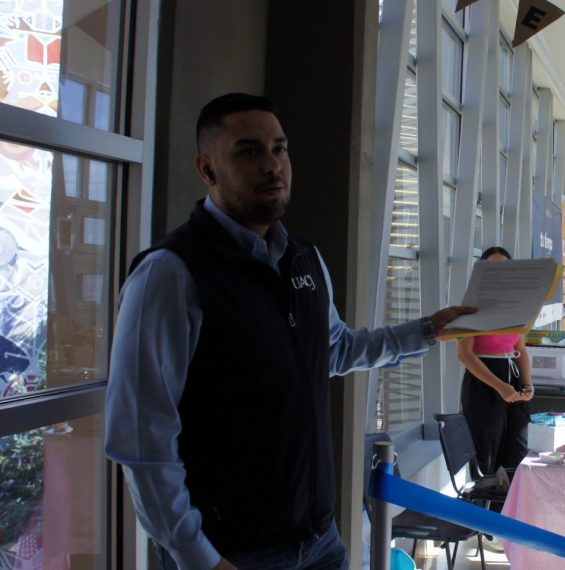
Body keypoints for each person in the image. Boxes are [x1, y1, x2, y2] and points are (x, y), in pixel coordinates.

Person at [103, 93, 476, 570]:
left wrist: (425, 331)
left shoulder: (304, 258)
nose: (272, 165)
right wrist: (198, 557)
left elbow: (335, 349)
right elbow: (141, 440)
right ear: (207, 169)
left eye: (279, 149)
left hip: (320, 542)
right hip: (234, 553)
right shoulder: (170, 276)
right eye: (249, 151)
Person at [457, 246, 535, 476]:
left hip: (513, 377)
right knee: (488, 449)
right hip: (485, 381)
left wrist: (528, 384)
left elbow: (520, 349)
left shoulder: (516, 309)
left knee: (517, 450)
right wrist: (500, 386)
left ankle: (510, 506)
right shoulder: (469, 308)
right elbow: (464, 354)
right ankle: (485, 506)